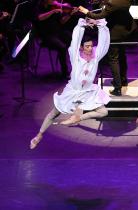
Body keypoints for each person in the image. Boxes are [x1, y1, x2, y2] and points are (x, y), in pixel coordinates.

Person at [29, 18, 111, 149]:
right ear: (81, 47)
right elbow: (75, 39)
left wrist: (101, 26)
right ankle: (39, 136)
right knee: (53, 114)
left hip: (88, 92)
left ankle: (78, 118)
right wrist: (81, 25)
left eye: (91, 45)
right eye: (87, 46)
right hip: (73, 91)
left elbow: (104, 44)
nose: (90, 48)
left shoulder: (96, 57)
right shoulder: (75, 56)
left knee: (103, 112)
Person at [78, 0, 137, 96]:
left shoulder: (112, 3)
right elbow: (114, 14)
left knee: (113, 59)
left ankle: (117, 88)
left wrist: (86, 12)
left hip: (115, 34)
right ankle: (123, 80)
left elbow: (99, 16)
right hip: (126, 31)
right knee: (122, 56)